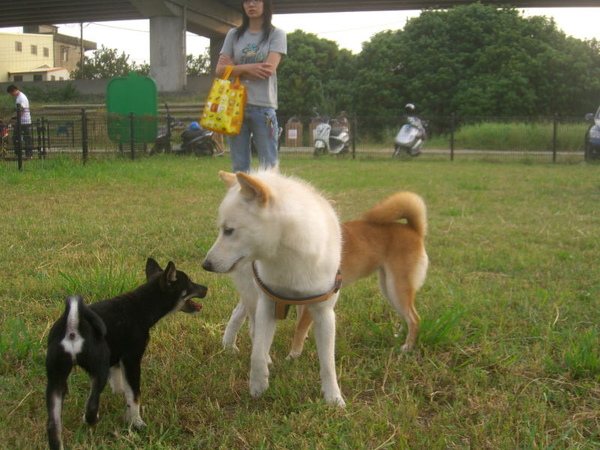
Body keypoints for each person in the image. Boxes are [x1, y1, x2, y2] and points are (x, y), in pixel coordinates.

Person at [216, 0, 287, 173]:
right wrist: (249, 68)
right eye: (247, 1)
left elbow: (267, 70)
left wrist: (234, 67)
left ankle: (270, 200)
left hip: (263, 108)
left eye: (256, 0)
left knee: (268, 166)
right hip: (236, 106)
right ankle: (242, 200)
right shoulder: (234, 34)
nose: (251, 4)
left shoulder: (276, 34)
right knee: (239, 168)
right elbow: (220, 70)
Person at [6, 84, 33, 157]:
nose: (11, 95)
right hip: (23, 120)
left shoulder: (21, 98)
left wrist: (17, 119)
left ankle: (25, 154)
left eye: (11, 93)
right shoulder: (20, 97)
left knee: (21, 137)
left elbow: (22, 110)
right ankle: (23, 153)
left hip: (24, 121)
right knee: (20, 136)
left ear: (14, 91)